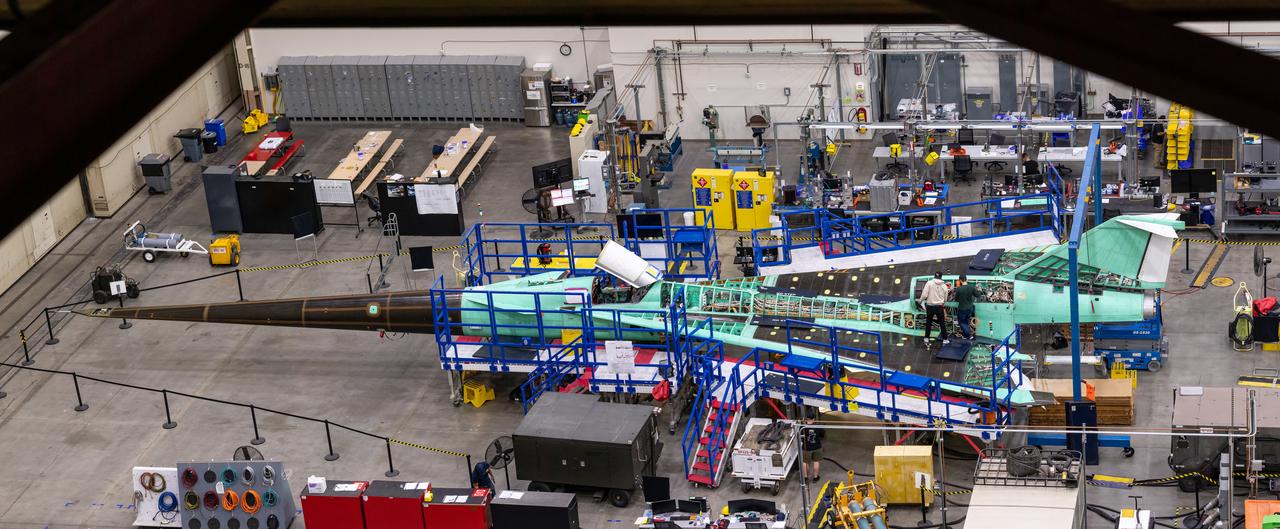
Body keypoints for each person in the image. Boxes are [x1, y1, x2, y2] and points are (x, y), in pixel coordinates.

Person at [919, 272, 951, 344]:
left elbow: (924, 294)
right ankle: (945, 339)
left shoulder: (929, 283)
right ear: (941, 277)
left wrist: (920, 301)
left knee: (928, 322)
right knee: (942, 323)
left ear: (934, 276)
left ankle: (926, 338)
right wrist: (943, 301)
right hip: (939, 307)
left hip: (930, 306)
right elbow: (945, 298)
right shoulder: (944, 286)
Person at [800, 411, 826, 482]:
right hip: (817, 447)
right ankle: (815, 477)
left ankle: (805, 477)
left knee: (805, 462)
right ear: (813, 419)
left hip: (806, 448)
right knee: (816, 461)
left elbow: (800, 436)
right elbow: (823, 434)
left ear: (806, 419)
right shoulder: (817, 427)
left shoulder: (802, 427)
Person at [953, 274, 978, 340]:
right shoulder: (971, 287)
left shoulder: (959, 289)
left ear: (960, 280)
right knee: (966, 321)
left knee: (962, 322)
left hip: (962, 309)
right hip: (970, 308)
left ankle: (969, 335)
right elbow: (977, 295)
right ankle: (965, 335)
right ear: (966, 279)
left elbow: (956, 299)